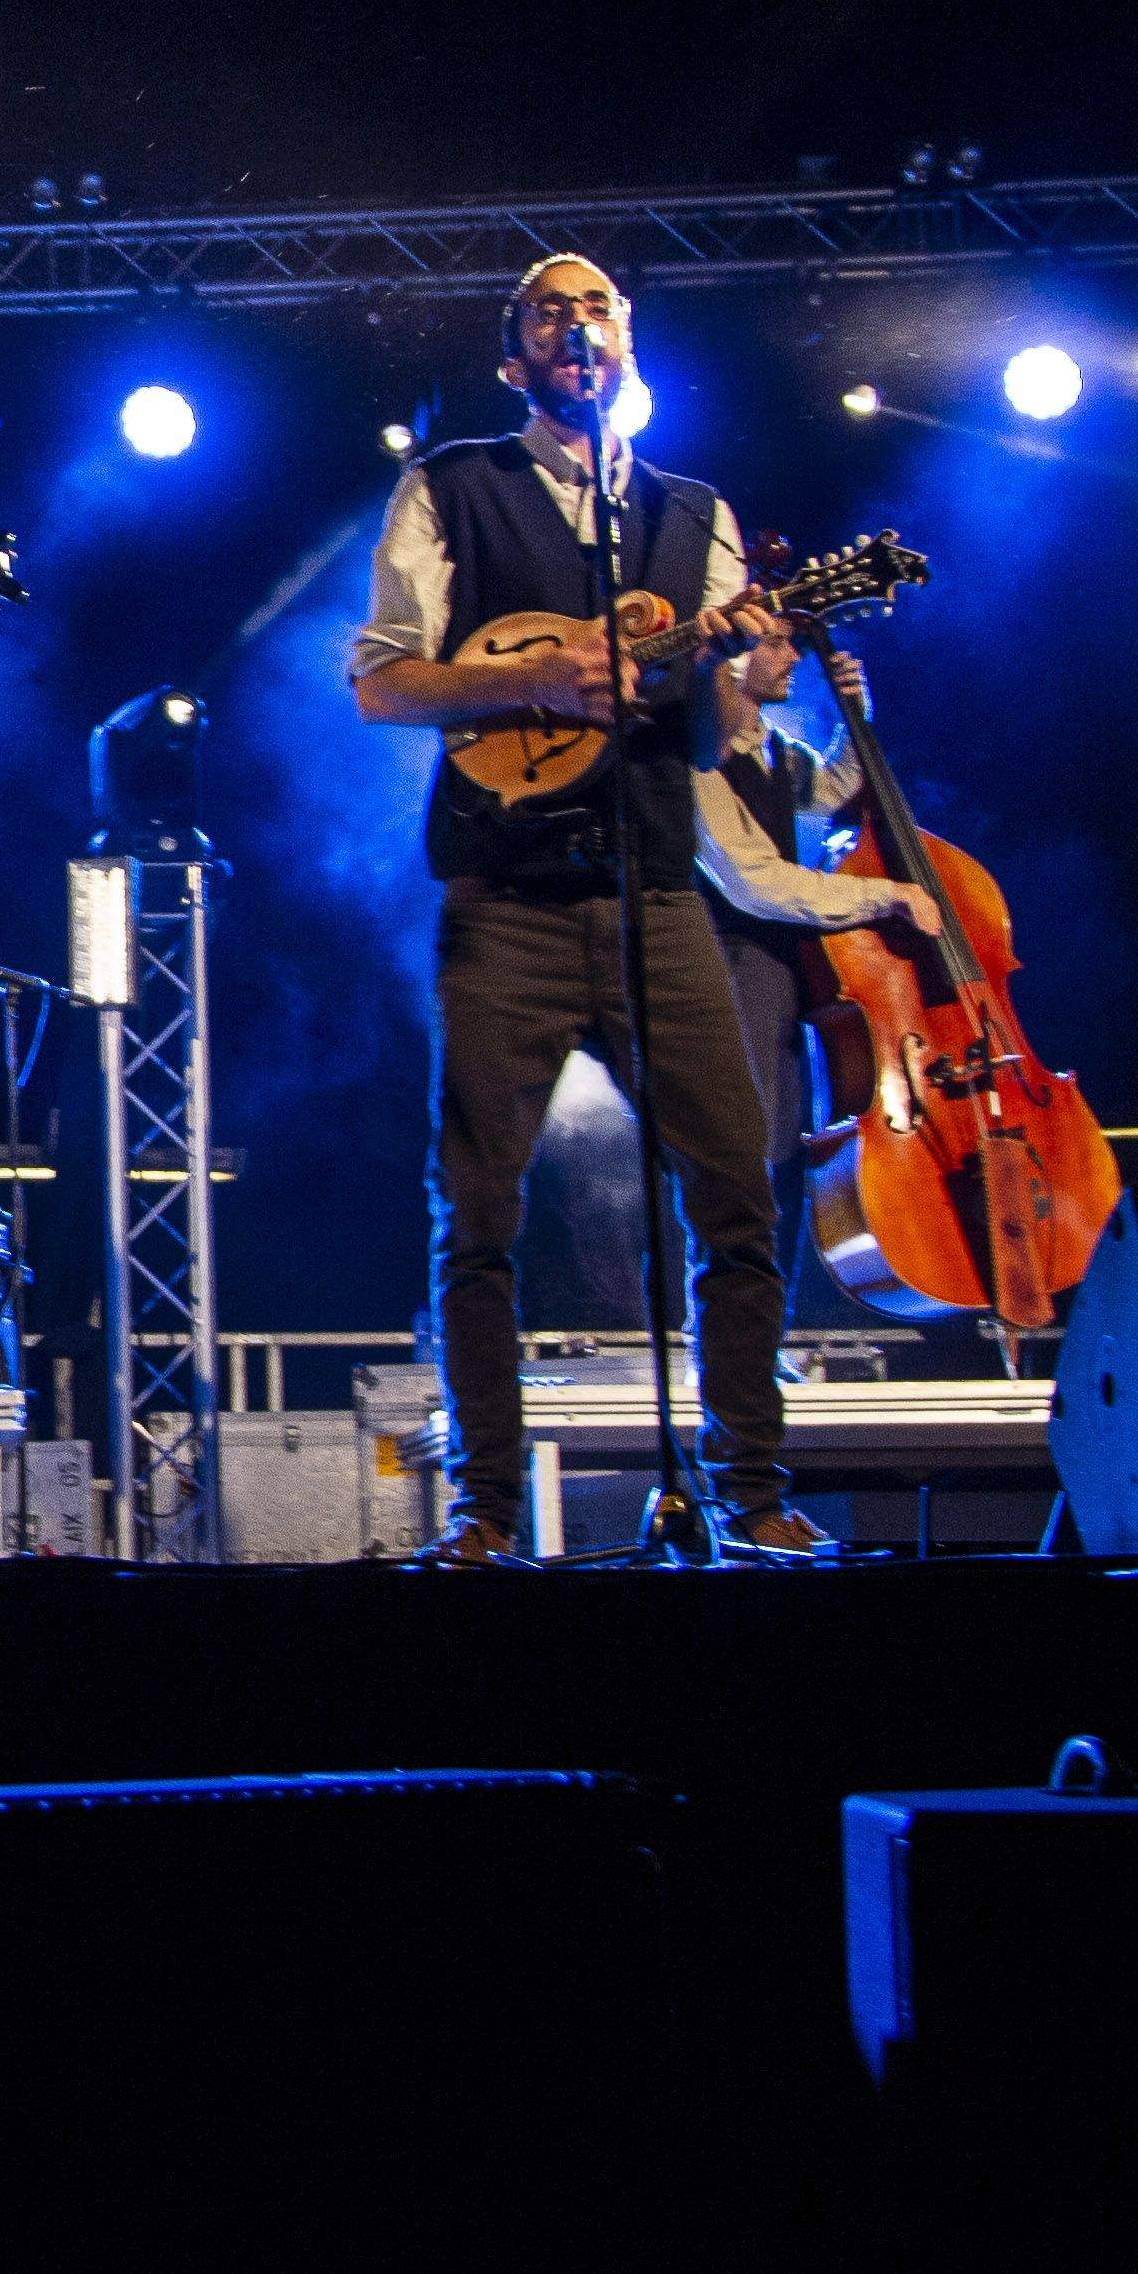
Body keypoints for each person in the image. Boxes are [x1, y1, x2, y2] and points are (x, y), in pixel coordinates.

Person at [347, 253, 813, 1562]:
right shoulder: (452, 486)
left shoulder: (693, 512)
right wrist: (535, 678)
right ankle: (485, 1512)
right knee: (479, 1213)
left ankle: (754, 1491)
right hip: (502, 898)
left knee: (738, 1193)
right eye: (549, 310)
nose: (576, 326)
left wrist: (742, 673)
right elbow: (383, 686)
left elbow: (712, 748)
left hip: (653, 890)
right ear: (515, 359)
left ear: (628, 348)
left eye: (597, 307)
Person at [695, 635, 944, 1310]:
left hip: (779, 965)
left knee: (783, 1150)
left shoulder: (767, 742)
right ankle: (721, 1328)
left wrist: (853, 718)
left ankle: (762, 1329)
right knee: (742, 1154)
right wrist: (885, 895)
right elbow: (756, 883)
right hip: (726, 958)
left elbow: (832, 788)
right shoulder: (700, 758)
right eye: (776, 643)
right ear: (735, 659)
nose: (794, 656)